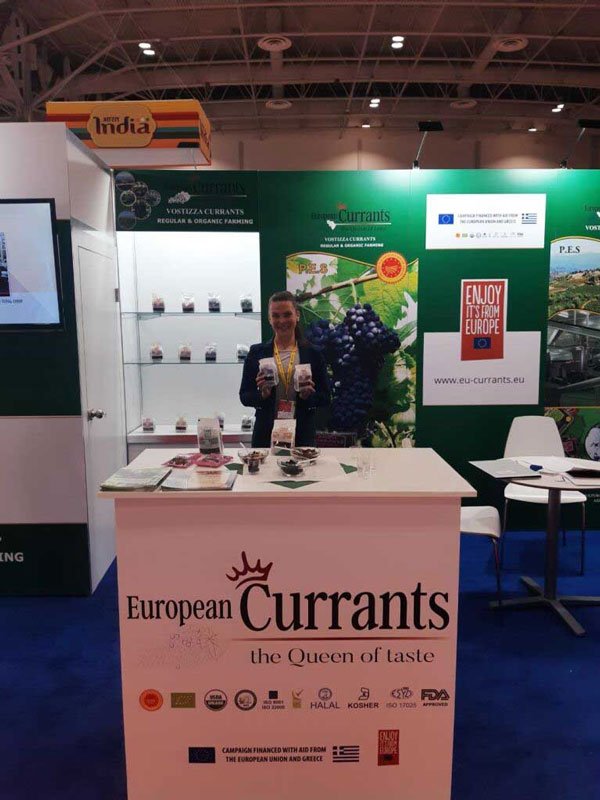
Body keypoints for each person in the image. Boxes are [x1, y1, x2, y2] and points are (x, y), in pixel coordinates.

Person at [240, 290, 330, 447]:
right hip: (266, 434)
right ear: (269, 319)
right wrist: (262, 395)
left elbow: (325, 397)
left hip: (302, 434)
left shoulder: (313, 353)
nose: (282, 321)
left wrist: (308, 396)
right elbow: (244, 396)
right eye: (275, 316)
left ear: (297, 315)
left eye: (287, 314)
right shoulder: (256, 352)